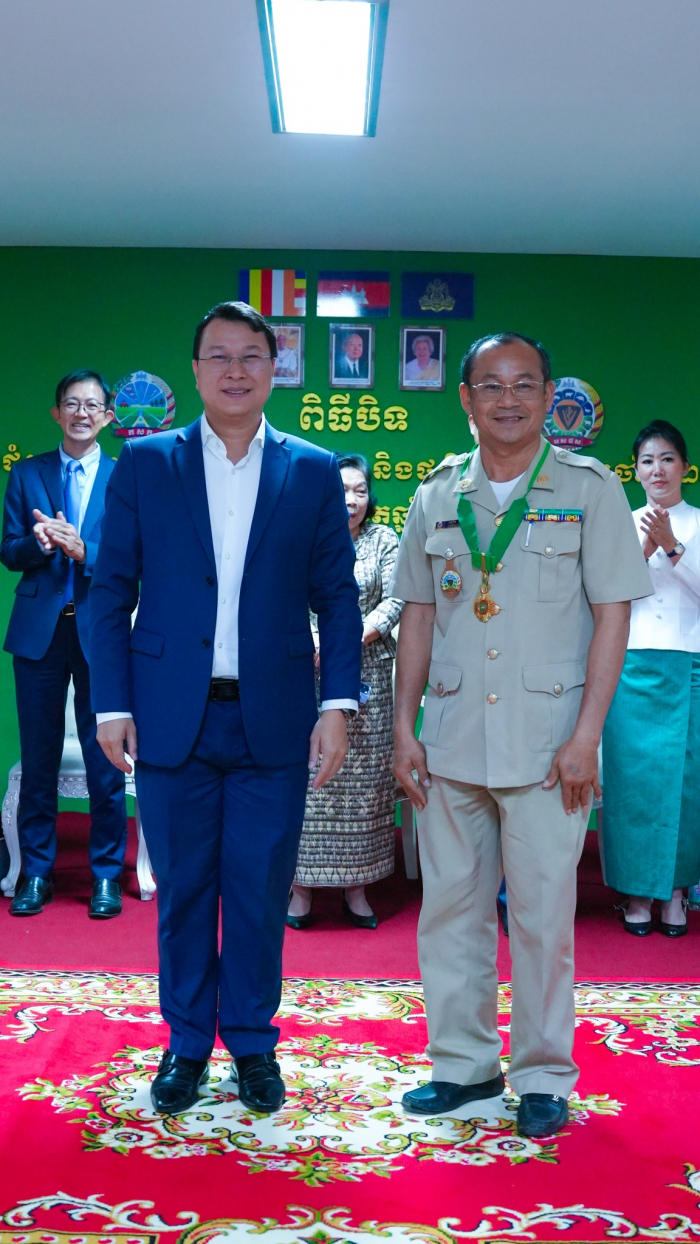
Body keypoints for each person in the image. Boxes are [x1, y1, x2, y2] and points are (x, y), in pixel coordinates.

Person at [89, 301, 362, 1118]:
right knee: (182, 891)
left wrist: (338, 703)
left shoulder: (311, 469)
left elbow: (336, 598)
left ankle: (250, 1042)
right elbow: (110, 591)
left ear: (275, 368)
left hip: (273, 717)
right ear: (196, 370)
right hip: (169, 715)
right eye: (219, 355)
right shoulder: (146, 465)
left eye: (251, 355)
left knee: (257, 890)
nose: (235, 370)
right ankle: (184, 1045)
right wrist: (111, 705)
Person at [391, 331, 652, 1139]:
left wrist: (587, 736)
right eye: (492, 385)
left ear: (547, 396)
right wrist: (404, 727)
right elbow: (418, 618)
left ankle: (542, 1075)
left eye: (525, 384)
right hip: (452, 739)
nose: (509, 399)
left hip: (548, 748)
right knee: (450, 912)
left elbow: (613, 616)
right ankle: (462, 1066)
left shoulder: (591, 489)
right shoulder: (436, 494)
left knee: (541, 917)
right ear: (465, 398)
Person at [1, 370, 127, 918]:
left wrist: (85, 552)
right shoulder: (26, 473)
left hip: (102, 634)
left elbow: (137, 558)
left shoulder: (126, 478)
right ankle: (35, 872)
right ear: (56, 413)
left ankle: (106, 875)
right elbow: (8, 550)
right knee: (39, 758)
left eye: (92, 405)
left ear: (107, 417)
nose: (81, 413)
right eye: (71, 404)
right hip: (40, 634)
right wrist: (37, 543)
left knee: (106, 760)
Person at [288, 454, 404, 930]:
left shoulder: (385, 540)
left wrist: (348, 638)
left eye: (360, 491)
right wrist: (316, 640)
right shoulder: (303, 536)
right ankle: (299, 887)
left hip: (367, 671)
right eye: (341, 491)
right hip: (304, 669)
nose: (351, 500)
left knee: (365, 786)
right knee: (307, 780)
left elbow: (396, 599)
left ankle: (357, 887)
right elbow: (285, 596)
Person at [602, 420, 700, 937]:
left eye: (667, 459)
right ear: (634, 471)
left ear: (685, 468)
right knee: (632, 782)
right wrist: (643, 549)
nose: (657, 469)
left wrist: (673, 547)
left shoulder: (698, 522)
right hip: (631, 665)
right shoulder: (619, 525)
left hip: (689, 665)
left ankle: (677, 894)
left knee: (685, 785)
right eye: (647, 461)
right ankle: (637, 894)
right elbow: (602, 596)